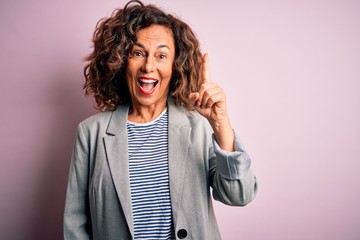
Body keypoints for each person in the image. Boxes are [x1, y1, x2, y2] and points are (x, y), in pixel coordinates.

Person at [63, 0, 257, 239]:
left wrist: (220, 124)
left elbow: (239, 195)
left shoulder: (199, 127)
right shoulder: (90, 133)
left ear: (176, 66)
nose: (148, 66)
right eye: (137, 53)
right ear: (122, 61)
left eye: (161, 55)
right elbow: (75, 224)